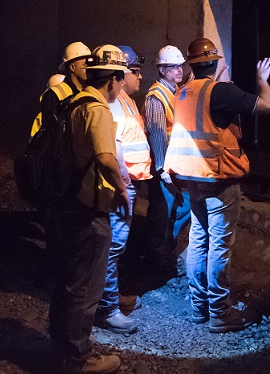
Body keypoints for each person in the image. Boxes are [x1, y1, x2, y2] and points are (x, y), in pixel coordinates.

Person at [164, 38, 270, 333]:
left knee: (198, 241)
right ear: (214, 63)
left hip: (192, 178)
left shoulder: (183, 92)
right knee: (220, 247)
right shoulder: (221, 92)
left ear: (192, 64)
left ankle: (199, 308)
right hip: (217, 178)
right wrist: (261, 81)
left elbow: (208, 114)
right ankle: (220, 313)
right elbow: (266, 106)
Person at [48, 44, 129, 374]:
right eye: (121, 81)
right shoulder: (97, 110)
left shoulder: (73, 103)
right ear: (112, 80)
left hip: (67, 203)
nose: (121, 88)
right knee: (86, 286)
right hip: (88, 208)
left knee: (67, 278)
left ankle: (60, 345)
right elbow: (106, 157)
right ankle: (79, 358)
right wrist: (122, 190)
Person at [94, 46, 151, 334]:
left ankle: (110, 299)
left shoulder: (123, 99)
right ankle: (106, 309)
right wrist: (122, 183)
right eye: (133, 71)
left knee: (115, 247)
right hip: (120, 186)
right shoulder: (112, 103)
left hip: (126, 185)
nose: (138, 76)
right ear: (119, 74)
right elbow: (111, 148)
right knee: (112, 247)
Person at [144, 45, 192, 277]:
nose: (179, 70)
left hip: (173, 166)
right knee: (161, 217)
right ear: (162, 70)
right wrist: (162, 167)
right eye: (173, 67)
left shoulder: (174, 90)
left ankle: (164, 257)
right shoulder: (156, 96)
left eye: (180, 65)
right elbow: (156, 132)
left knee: (174, 212)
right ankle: (155, 265)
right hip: (163, 168)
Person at [31, 42, 91, 137]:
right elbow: (49, 132)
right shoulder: (54, 94)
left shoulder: (88, 92)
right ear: (72, 67)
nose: (89, 69)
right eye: (84, 65)